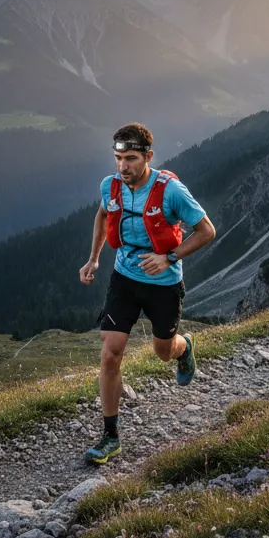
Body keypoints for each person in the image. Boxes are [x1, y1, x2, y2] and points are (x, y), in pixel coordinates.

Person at [78, 122, 216, 465]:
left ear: (148, 157)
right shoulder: (110, 186)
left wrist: (168, 256)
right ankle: (110, 437)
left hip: (164, 283)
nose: (123, 166)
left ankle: (184, 346)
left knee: (163, 351)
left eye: (131, 158)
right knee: (111, 353)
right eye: (119, 158)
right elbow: (102, 215)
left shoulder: (172, 191)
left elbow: (206, 231)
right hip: (123, 279)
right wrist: (93, 258)